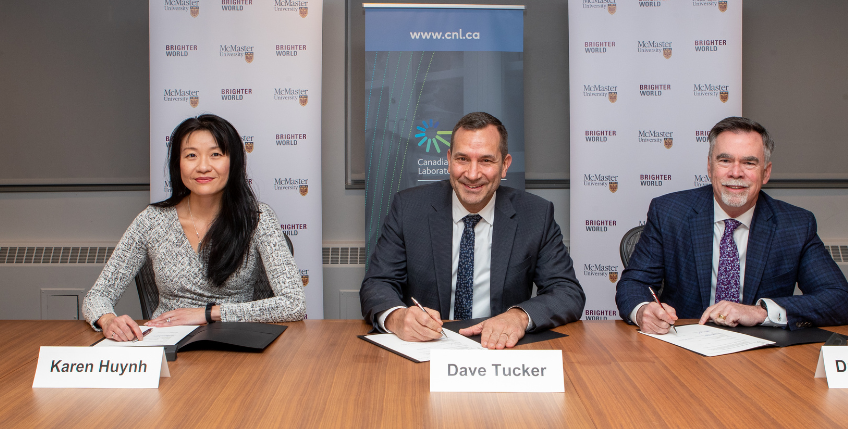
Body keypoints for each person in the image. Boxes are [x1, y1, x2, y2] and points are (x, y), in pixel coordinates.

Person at [360, 112, 585, 349]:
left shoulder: (535, 215)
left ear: (505, 165)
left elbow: (567, 292)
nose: (472, 174)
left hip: (500, 351)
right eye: (462, 159)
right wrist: (397, 317)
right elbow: (377, 283)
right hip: (426, 348)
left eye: (486, 160)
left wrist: (519, 316)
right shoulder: (408, 209)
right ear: (448, 160)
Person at [616, 116, 848, 333]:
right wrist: (642, 311)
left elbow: (839, 300)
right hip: (684, 349)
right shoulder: (669, 213)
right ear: (709, 166)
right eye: (725, 160)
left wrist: (761, 311)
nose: (736, 172)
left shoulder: (794, 225)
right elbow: (634, 283)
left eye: (749, 163)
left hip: (761, 354)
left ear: (766, 172)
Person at [82, 114, 306, 341]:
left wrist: (207, 314)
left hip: (237, 343)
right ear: (177, 163)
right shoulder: (152, 220)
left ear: (234, 162)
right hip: (167, 345)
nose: (203, 166)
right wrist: (108, 319)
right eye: (191, 155)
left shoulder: (258, 219)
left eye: (215, 154)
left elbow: (294, 302)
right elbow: (97, 296)